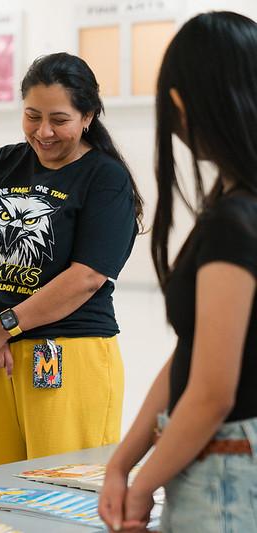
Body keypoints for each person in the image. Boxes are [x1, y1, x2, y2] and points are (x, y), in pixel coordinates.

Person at [99, 12, 257, 533]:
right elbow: (198, 347)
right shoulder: (238, 207)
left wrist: (142, 484)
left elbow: (213, 391)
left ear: (185, 105)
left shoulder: (234, 223)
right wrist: (125, 459)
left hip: (225, 471)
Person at [0, 52, 144, 471]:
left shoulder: (106, 178)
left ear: (88, 115)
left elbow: (87, 277)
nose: (43, 132)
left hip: (65, 352)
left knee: (62, 489)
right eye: (32, 116)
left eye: (59, 119)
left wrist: (5, 325)